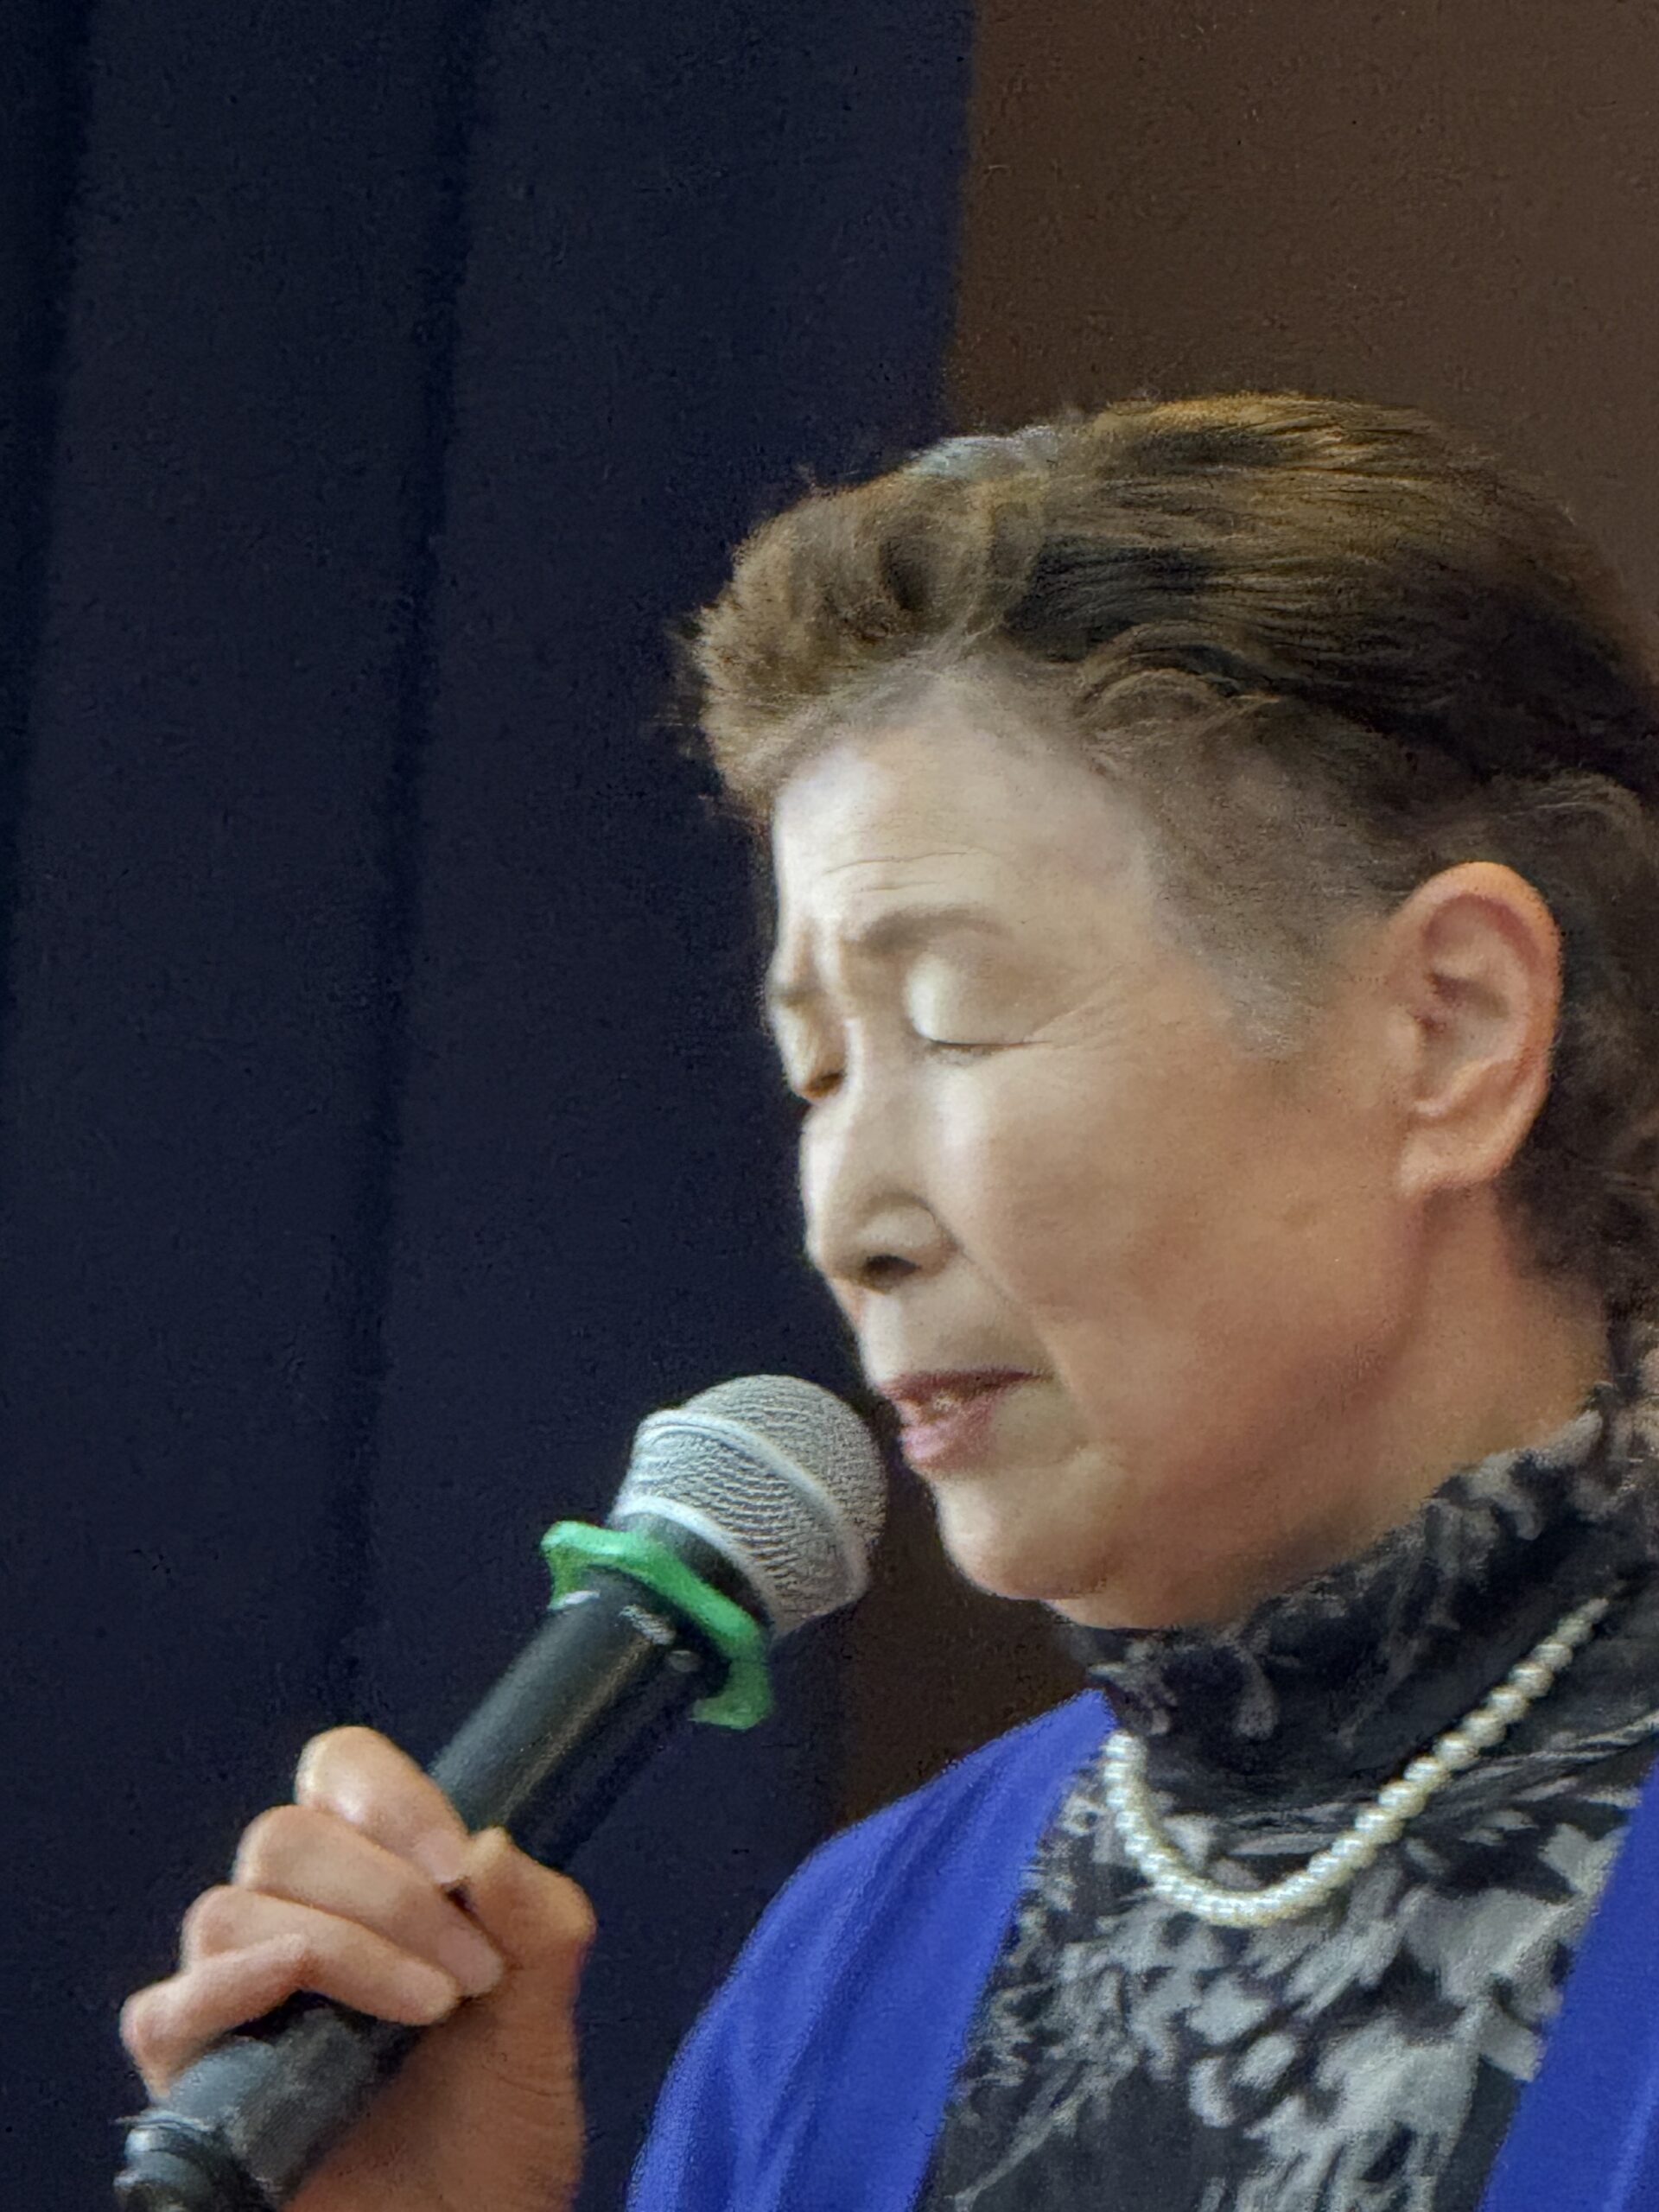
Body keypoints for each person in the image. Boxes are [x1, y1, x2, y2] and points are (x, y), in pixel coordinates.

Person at [120, 394, 1659, 2211]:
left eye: (950, 1022)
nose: (847, 1226)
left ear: (1450, 1030)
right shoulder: (845, 1973)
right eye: (820, 1070)